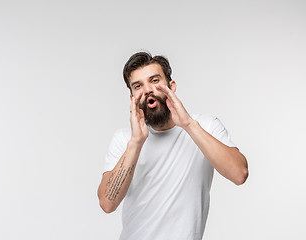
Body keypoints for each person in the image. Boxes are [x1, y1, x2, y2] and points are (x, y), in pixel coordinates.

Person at [97, 52, 248, 240]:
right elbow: (107, 203)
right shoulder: (124, 139)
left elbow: (239, 174)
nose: (147, 90)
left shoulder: (205, 126)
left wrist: (188, 125)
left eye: (154, 80)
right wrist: (136, 143)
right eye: (138, 86)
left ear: (171, 86)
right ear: (132, 97)